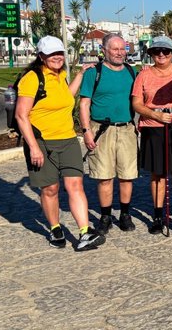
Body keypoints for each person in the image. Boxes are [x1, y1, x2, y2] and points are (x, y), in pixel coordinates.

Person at [15, 36, 104, 251]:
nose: (57, 57)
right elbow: (20, 116)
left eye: (59, 53)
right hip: (42, 142)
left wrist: (81, 74)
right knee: (50, 189)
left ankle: (84, 232)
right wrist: (34, 147)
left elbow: (65, 97)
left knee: (75, 185)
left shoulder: (61, 75)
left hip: (68, 140)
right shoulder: (32, 78)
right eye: (51, 54)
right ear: (41, 56)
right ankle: (55, 228)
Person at [79, 33, 138, 234]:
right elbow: (84, 103)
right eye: (115, 49)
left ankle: (125, 214)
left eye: (123, 49)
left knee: (127, 175)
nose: (120, 53)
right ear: (104, 50)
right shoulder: (93, 73)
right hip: (101, 130)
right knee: (104, 176)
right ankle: (105, 216)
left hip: (127, 129)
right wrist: (86, 131)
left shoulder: (132, 71)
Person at [131, 36, 172, 234]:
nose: (161, 55)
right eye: (157, 52)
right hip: (152, 126)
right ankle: (157, 215)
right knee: (158, 174)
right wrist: (154, 114)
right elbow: (137, 103)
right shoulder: (144, 75)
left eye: (165, 51)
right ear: (151, 54)